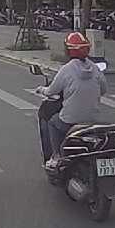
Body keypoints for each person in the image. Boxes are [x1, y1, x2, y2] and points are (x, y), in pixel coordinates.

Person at [37, 32, 108, 169]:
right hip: (92, 120)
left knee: (52, 122)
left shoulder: (67, 69)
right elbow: (103, 89)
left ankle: (56, 156)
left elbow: (52, 91)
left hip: (70, 120)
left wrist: (41, 89)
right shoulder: (94, 68)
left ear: (68, 50)